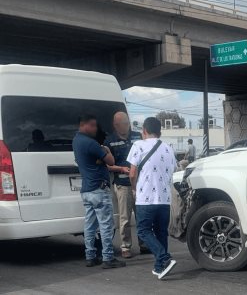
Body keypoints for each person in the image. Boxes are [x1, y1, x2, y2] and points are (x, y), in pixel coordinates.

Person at [72, 114, 126, 269]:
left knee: (89, 224)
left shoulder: (76, 141)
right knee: (106, 225)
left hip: (87, 190)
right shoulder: (91, 143)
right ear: (84, 125)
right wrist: (106, 149)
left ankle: (90, 256)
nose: (96, 129)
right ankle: (108, 258)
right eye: (93, 126)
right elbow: (111, 161)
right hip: (99, 189)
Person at [128, 117, 178, 280]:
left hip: (146, 198)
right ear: (160, 132)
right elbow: (173, 170)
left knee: (143, 231)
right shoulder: (168, 148)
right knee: (160, 232)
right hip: (164, 199)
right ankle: (159, 268)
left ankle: (164, 258)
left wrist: (134, 188)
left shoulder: (138, 145)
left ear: (144, 130)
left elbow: (133, 173)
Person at [104, 111, 149, 258]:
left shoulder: (138, 136)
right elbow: (107, 166)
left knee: (142, 216)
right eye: (123, 124)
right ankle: (125, 247)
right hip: (123, 184)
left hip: (140, 184)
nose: (127, 127)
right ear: (116, 125)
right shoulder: (109, 141)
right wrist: (121, 168)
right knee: (125, 218)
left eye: (128, 123)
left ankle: (144, 244)